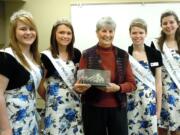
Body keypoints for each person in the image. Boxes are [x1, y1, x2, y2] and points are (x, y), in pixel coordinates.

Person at [74, 16, 136, 135]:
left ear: (114, 33)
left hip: (118, 108)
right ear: (97, 33)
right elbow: (80, 83)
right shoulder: (86, 54)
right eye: (104, 31)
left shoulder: (123, 55)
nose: (107, 34)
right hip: (93, 108)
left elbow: (132, 84)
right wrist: (80, 88)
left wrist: (118, 88)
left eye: (110, 31)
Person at [0, 10, 42, 135]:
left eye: (31, 29)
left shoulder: (34, 57)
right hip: (12, 122)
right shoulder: (5, 57)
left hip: (30, 119)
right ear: (14, 32)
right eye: (23, 29)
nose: (28, 33)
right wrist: (4, 129)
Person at [38, 19, 83, 135]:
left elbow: (80, 78)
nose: (65, 36)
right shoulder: (45, 57)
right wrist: (50, 100)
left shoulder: (77, 53)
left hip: (75, 104)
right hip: (55, 106)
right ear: (54, 34)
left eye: (69, 33)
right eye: (61, 32)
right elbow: (39, 85)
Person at [127, 18, 163, 135]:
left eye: (141, 32)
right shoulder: (125, 55)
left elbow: (158, 82)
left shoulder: (155, 54)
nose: (138, 36)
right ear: (130, 34)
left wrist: (158, 110)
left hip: (149, 103)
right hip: (131, 103)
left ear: (146, 33)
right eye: (134, 33)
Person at [151, 10, 180, 135]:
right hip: (161, 92)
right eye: (165, 23)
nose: (168, 26)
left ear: (178, 24)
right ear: (161, 26)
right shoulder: (156, 44)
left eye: (171, 22)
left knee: (177, 129)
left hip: (179, 92)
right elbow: (151, 68)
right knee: (161, 127)